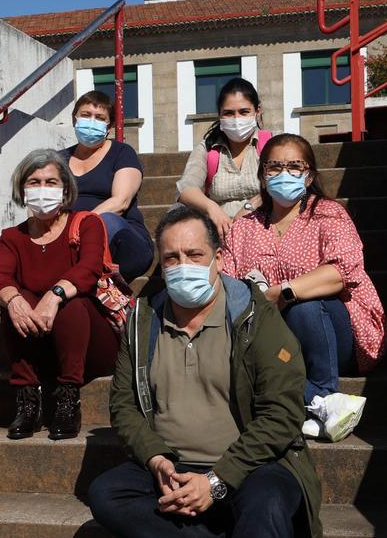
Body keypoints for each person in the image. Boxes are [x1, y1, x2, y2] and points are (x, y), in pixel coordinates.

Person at [89, 206, 323, 538]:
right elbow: (123, 405)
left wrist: (216, 480)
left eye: (195, 254)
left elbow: (282, 412)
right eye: (171, 258)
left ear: (220, 258)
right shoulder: (143, 320)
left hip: (249, 465)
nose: (183, 265)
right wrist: (155, 457)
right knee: (107, 494)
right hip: (171, 468)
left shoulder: (256, 316)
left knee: (268, 505)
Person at [220, 134, 386, 438]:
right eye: (274, 167)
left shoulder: (328, 214)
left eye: (295, 166)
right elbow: (226, 283)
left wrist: (284, 291)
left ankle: (321, 390)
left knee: (304, 306)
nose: (284, 173)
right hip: (271, 339)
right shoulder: (244, 227)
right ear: (262, 175)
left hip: (333, 331)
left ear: (309, 175)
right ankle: (321, 404)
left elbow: (342, 272)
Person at [0, 149, 120, 441]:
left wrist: (55, 294)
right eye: (34, 182)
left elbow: (88, 269)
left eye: (51, 182)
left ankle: (67, 399)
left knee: (73, 303)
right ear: (22, 189)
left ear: (65, 188)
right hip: (41, 346)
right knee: (13, 300)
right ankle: (27, 398)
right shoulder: (12, 237)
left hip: (90, 345)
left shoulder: (86, 224)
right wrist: (13, 299)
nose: (42, 189)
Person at [61, 91, 154, 281]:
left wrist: (80, 225)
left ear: (109, 126)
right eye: (86, 115)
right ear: (74, 119)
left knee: (107, 220)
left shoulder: (122, 153)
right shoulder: (58, 159)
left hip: (122, 242)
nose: (91, 121)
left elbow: (120, 202)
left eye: (99, 118)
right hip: (69, 244)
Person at [175, 78, 274, 239]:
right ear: (219, 115)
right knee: (175, 212)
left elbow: (281, 185)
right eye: (228, 113)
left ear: (258, 111)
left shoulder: (271, 145)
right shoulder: (207, 148)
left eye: (244, 112)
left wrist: (249, 207)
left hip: (264, 227)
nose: (236, 119)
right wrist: (212, 208)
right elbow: (186, 189)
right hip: (220, 232)